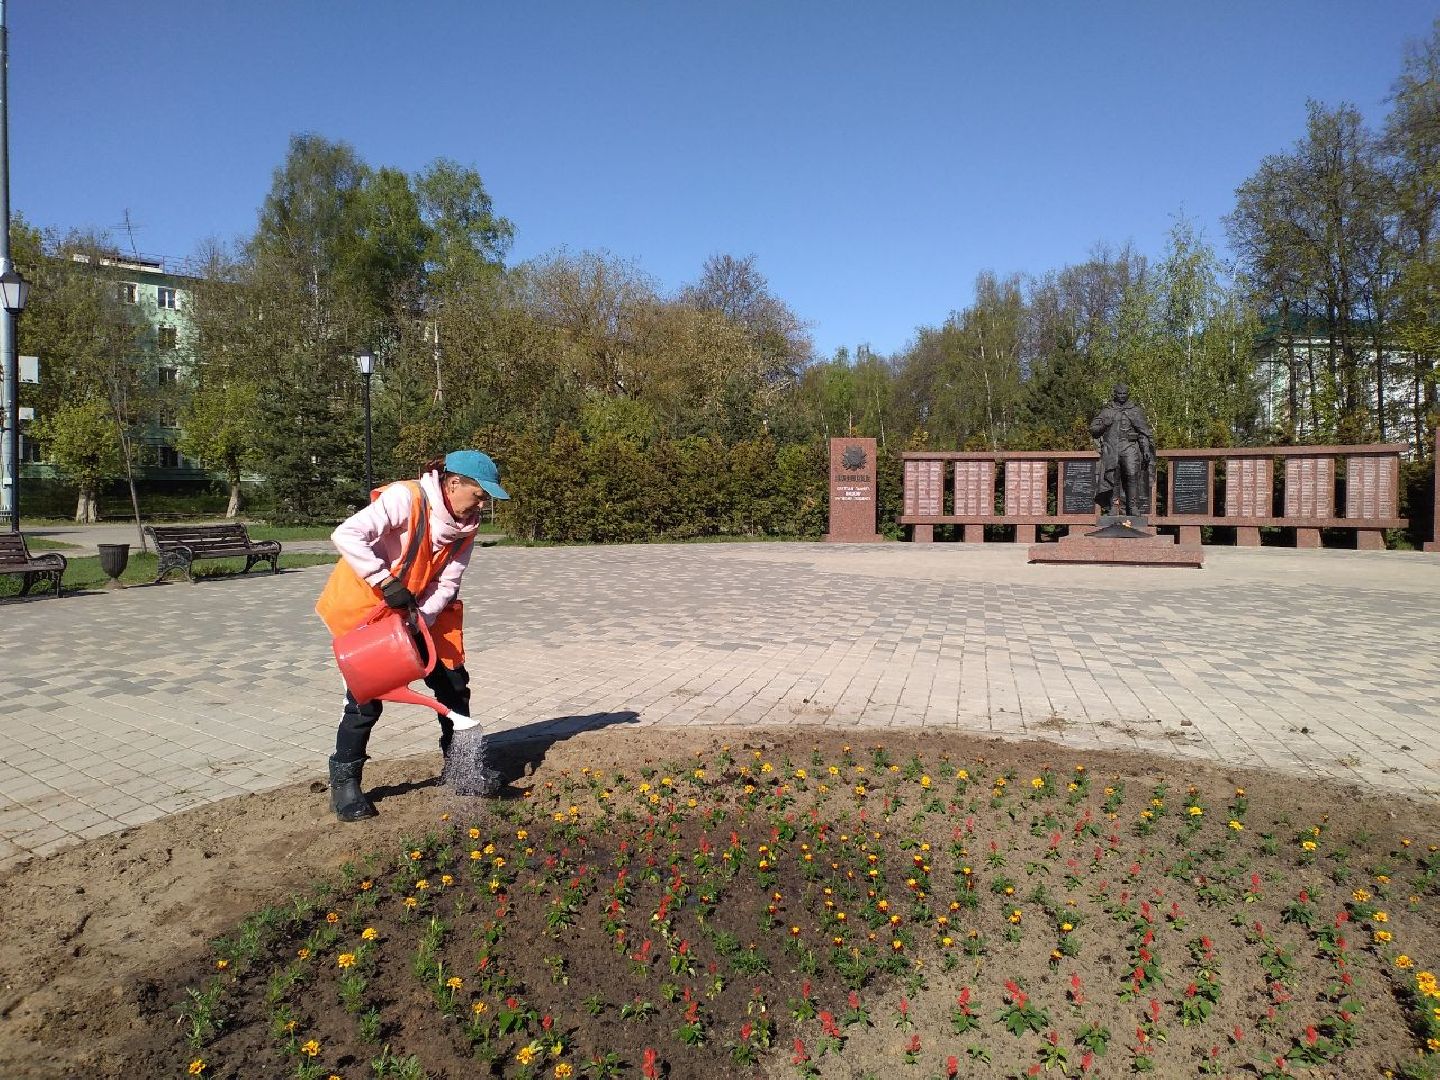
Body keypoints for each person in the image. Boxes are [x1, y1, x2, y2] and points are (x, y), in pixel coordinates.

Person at [315, 450, 509, 821]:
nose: (482, 504)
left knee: (453, 685)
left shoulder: (466, 525)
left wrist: (419, 620)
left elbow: (448, 581)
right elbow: (346, 534)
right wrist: (384, 580)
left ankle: (461, 771)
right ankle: (345, 785)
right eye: (479, 495)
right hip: (369, 610)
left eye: (485, 498)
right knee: (366, 699)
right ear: (454, 483)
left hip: (418, 611)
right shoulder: (407, 498)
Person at [1089, 383, 1156, 517]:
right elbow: (1094, 430)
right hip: (1112, 448)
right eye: (1119, 394)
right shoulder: (1107, 411)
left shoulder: (1135, 410)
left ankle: (1133, 506)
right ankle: (1114, 506)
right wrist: (1103, 425)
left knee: (1132, 475)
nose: (1121, 396)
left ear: (1128, 394)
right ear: (1114, 394)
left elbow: (1143, 432)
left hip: (1130, 447)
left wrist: (1145, 449)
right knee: (1113, 477)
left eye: (1124, 394)